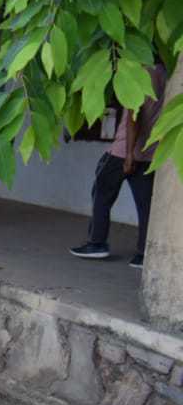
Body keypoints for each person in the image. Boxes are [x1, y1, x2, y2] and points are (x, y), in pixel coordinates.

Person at [70, 63, 167, 268]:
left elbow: (134, 117)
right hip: (150, 153)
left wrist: (129, 155)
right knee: (145, 205)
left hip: (123, 152)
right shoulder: (165, 74)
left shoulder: (139, 73)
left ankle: (97, 243)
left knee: (102, 193)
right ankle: (143, 254)